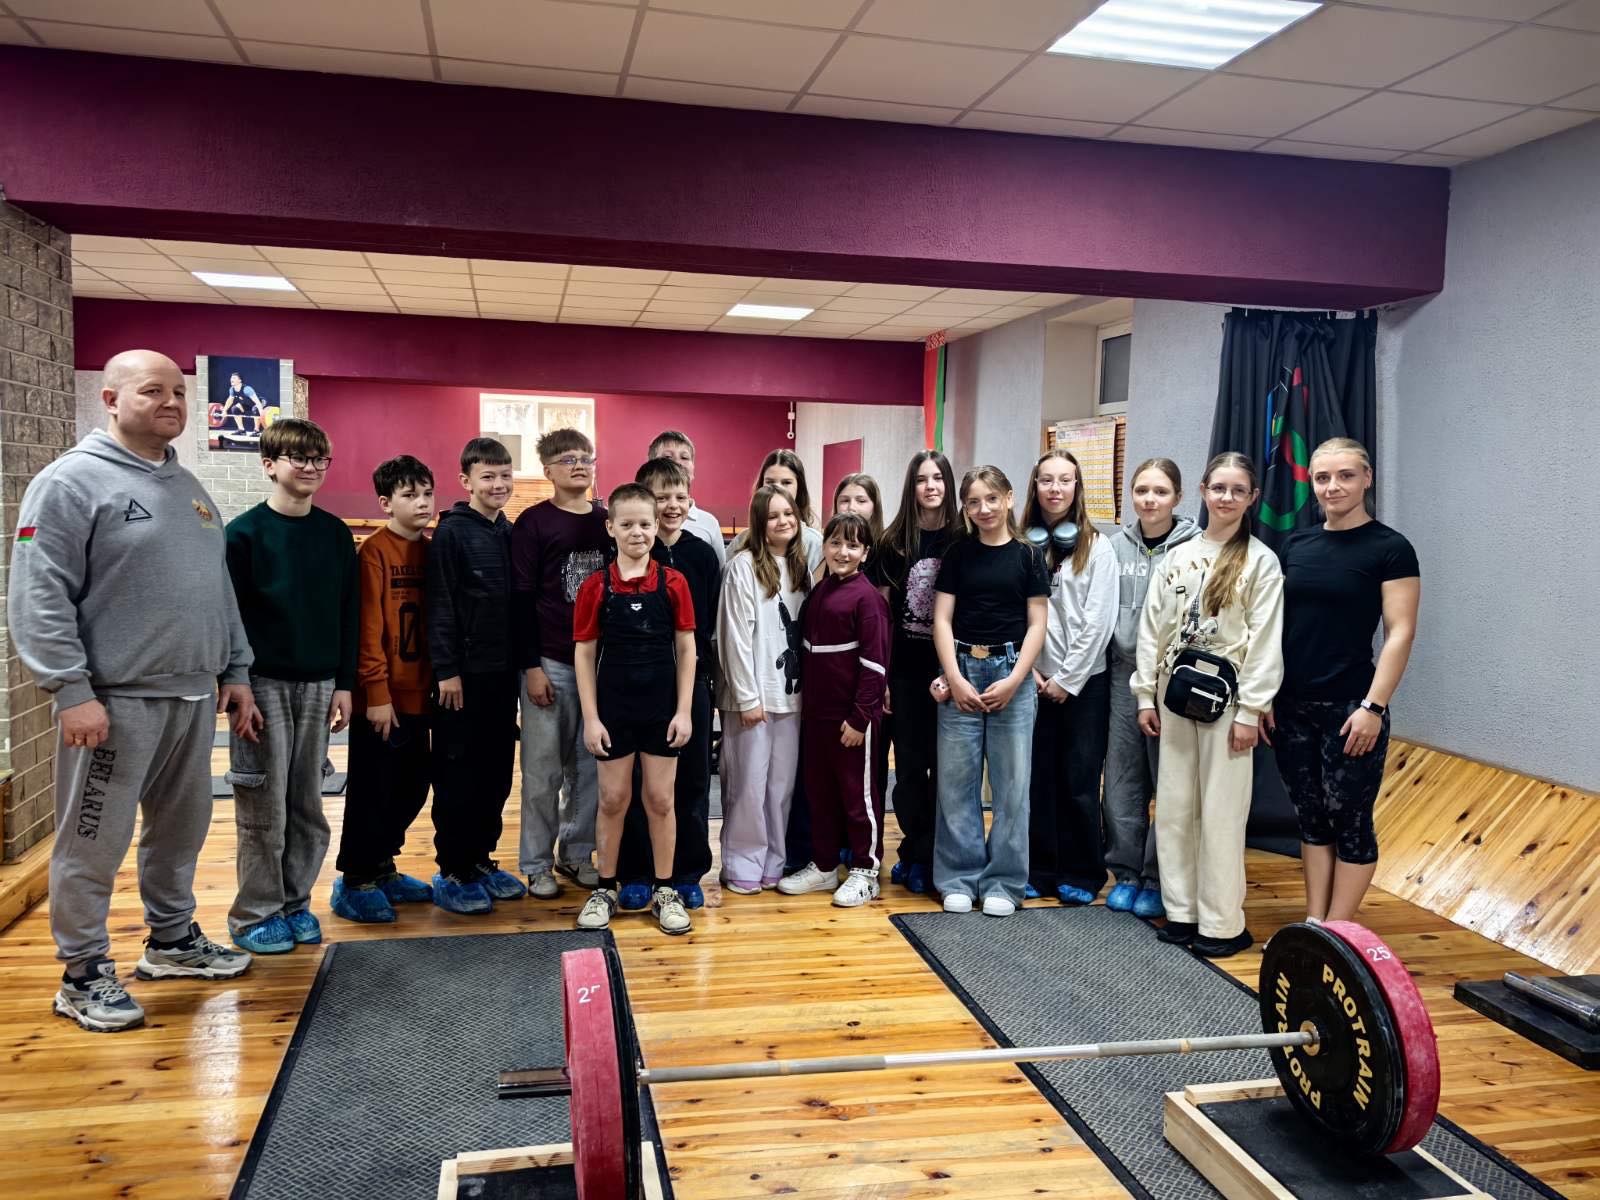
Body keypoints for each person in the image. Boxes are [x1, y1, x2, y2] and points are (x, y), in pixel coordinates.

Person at [10, 348, 259, 1032]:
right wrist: (69, 689)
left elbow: (217, 589)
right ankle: (82, 973)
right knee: (93, 841)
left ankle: (172, 942)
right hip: (113, 702)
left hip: (192, 696)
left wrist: (235, 670)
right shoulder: (69, 483)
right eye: (153, 390)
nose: (171, 402)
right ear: (111, 399)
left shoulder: (188, 487)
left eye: (179, 391)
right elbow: (38, 594)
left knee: (181, 832)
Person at [1132, 452, 1284, 958]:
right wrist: (1145, 694)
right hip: (1175, 696)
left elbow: (1265, 641)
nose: (1226, 497)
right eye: (1219, 488)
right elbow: (1153, 629)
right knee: (1175, 808)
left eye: (1238, 490)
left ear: (1252, 498)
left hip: (1229, 705)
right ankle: (1182, 912)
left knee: (1220, 814)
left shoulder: (1261, 561)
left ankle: (1220, 923)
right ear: (1202, 491)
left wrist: (1251, 710)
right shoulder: (1179, 556)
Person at [1265, 438, 1419, 924]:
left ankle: (1340, 929)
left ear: (1367, 478)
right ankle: (1315, 924)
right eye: (1323, 478)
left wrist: (1373, 707)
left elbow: (1400, 632)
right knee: (1311, 819)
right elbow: (1275, 626)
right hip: (1292, 707)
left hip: (1352, 707)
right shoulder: (1296, 545)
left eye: (1346, 475)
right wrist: (1267, 695)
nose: (1333, 486)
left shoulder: (1390, 548)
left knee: (1350, 821)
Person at [223, 418, 358, 954]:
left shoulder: (334, 533)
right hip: (262, 685)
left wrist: (344, 684)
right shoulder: (243, 534)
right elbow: (229, 618)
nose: (310, 467)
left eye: (319, 459)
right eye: (298, 457)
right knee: (263, 804)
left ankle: (296, 902)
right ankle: (255, 913)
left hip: (320, 684)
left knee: (307, 803)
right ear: (269, 465)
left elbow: (348, 613)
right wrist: (235, 681)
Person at [572, 483, 698, 935]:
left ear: (656, 525)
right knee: (612, 800)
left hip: (661, 711)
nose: (637, 532)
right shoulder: (596, 586)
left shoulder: (674, 583)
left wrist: (683, 711)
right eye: (627, 524)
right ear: (611, 528)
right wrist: (591, 718)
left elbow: (687, 649)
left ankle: (665, 890)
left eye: (645, 524)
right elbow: (584, 653)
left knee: (661, 801)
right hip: (614, 710)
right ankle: (605, 887)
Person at [930, 466, 1049, 917]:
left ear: (1009, 498)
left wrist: (1016, 678)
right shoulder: (958, 553)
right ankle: (958, 877)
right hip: (962, 668)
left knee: (1012, 787)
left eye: (992, 499)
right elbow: (942, 619)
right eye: (974, 502)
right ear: (965, 507)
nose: (984, 509)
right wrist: (955, 677)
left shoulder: (1029, 556)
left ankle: (1004, 881)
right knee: (956, 784)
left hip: (1011, 674)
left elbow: (1037, 623)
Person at [330, 455, 438, 924]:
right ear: (385, 503)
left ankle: (382, 866)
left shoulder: (432, 551)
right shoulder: (374, 552)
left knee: (412, 786)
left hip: (421, 695)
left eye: (427, 493)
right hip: (382, 700)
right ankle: (356, 879)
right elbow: (369, 628)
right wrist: (375, 693)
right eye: (410, 495)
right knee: (373, 790)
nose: (422, 502)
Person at [614, 458, 721, 911]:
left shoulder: (702, 554)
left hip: (690, 684)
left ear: (690, 501)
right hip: (641, 686)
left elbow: (708, 626)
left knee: (692, 780)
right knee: (641, 784)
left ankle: (687, 871)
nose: (672, 505)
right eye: (661, 498)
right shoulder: (637, 552)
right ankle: (637, 871)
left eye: (680, 497)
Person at [426, 437, 524, 914]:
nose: (498, 484)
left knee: (496, 774)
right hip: (461, 680)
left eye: (505, 475)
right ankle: (453, 868)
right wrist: (446, 671)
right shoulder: (451, 533)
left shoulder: (509, 531)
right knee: (458, 775)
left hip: (502, 676)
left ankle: (482, 858)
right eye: (488, 476)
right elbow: (440, 603)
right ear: (466, 481)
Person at [511, 429, 610, 897]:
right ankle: (535, 863)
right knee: (542, 771)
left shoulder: (606, 521)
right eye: (569, 459)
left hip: (598, 666)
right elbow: (520, 599)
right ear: (548, 470)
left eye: (587, 458)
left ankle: (576, 853)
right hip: (549, 662)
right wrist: (530, 666)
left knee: (588, 770)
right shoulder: (533, 523)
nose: (580, 465)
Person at [778, 514, 891, 907]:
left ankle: (866, 870)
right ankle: (824, 865)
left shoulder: (868, 600)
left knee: (858, 797)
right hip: (816, 718)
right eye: (836, 543)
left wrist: (860, 718)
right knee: (819, 794)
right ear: (824, 546)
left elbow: (875, 666)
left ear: (865, 553)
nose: (843, 552)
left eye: (853, 546)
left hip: (851, 722)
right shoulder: (820, 592)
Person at [1103, 458, 1199, 918]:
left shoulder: (1196, 548)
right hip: (1123, 676)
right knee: (1123, 780)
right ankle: (1126, 872)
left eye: (1161, 491)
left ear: (1178, 496)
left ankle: (1159, 876)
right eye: (1142, 490)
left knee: (1171, 781)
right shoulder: (1113, 547)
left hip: (1174, 681)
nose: (1150, 500)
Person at [1022, 451, 1118, 905]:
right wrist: (1030, 671)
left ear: (1077, 487)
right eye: (1047, 480)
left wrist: (1067, 678)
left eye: (1065, 480)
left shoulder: (1098, 547)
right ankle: (1039, 868)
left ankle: (1082, 870)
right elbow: (1013, 613)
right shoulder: (1022, 544)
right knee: (1037, 779)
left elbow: (1098, 622)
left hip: (1084, 684)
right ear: (1035, 486)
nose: (1055, 489)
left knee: (1079, 780)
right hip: (1030, 680)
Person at [871, 451, 960, 896]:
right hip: (905, 675)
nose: (931, 486)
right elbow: (883, 615)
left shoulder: (963, 539)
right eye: (923, 479)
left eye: (938, 478)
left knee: (946, 770)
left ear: (948, 484)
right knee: (908, 770)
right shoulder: (892, 543)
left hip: (952, 673)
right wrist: (884, 677)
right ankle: (914, 850)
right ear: (912, 486)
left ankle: (937, 853)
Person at [716, 485, 810, 892]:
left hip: (791, 697)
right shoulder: (743, 567)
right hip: (751, 699)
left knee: (780, 788)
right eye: (773, 515)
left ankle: (775, 859)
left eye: (788, 513)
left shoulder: (802, 569)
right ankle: (742, 863)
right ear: (759, 522)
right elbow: (734, 637)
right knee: (748, 787)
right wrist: (746, 696)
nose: (783, 521)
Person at [727, 449, 824, 574]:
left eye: (786, 483)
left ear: (799, 487)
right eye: (770, 482)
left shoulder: (813, 543)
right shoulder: (742, 540)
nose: (777, 489)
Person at [649, 430, 726, 567]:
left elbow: (719, 572)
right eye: (668, 457)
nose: (677, 463)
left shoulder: (709, 523)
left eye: (684, 457)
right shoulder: (639, 521)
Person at [832, 473, 884, 547]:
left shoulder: (887, 547)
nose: (851, 507)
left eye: (861, 501)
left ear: (875, 506)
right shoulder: (823, 545)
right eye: (845, 500)